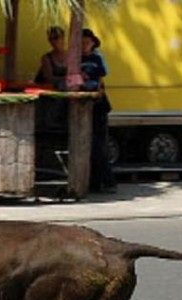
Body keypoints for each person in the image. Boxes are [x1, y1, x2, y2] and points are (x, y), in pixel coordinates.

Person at [81, 28, 116, 193]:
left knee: (98, 144)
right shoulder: (75, 58)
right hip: (83, 103)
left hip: (97, 104)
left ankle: (107, 181)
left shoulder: (97, 57)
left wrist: (91, 80)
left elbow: (102, 75)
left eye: (87, 42)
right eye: (81, 43)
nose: (84, 45)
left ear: (93, 43)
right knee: (86, 144)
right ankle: (93, 181)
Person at [34, 26, 67, 90]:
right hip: (51, 89)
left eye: (57, 38)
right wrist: (66, 79)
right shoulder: (47, 58)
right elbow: (49, 79)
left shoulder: (71, 56)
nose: (55, 41)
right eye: (52, 39)